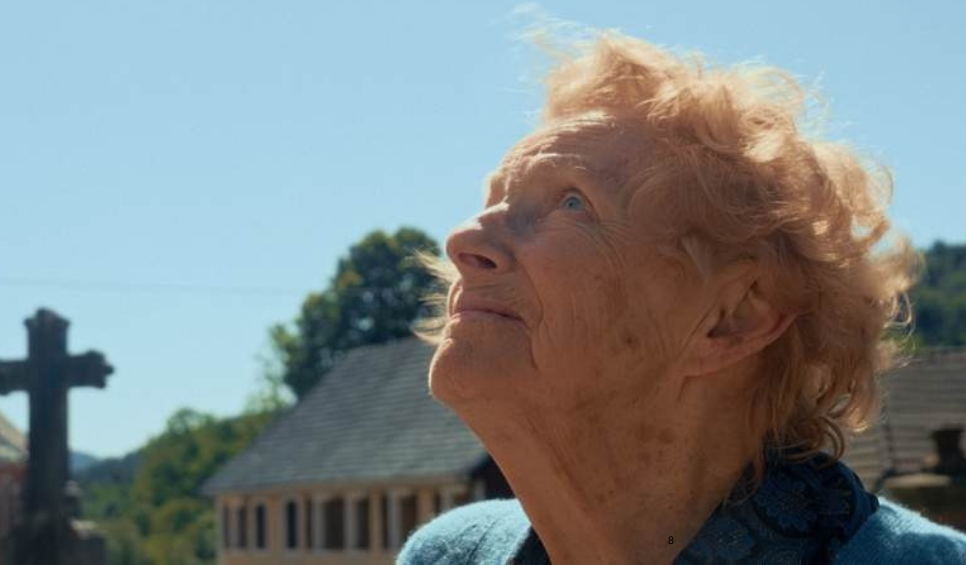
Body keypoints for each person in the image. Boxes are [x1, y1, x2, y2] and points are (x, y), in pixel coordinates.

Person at [398, 33, 966, 564]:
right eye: (494, 199)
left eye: (573, 202)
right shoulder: (451, 554)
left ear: (732, 316)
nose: (462, 239)